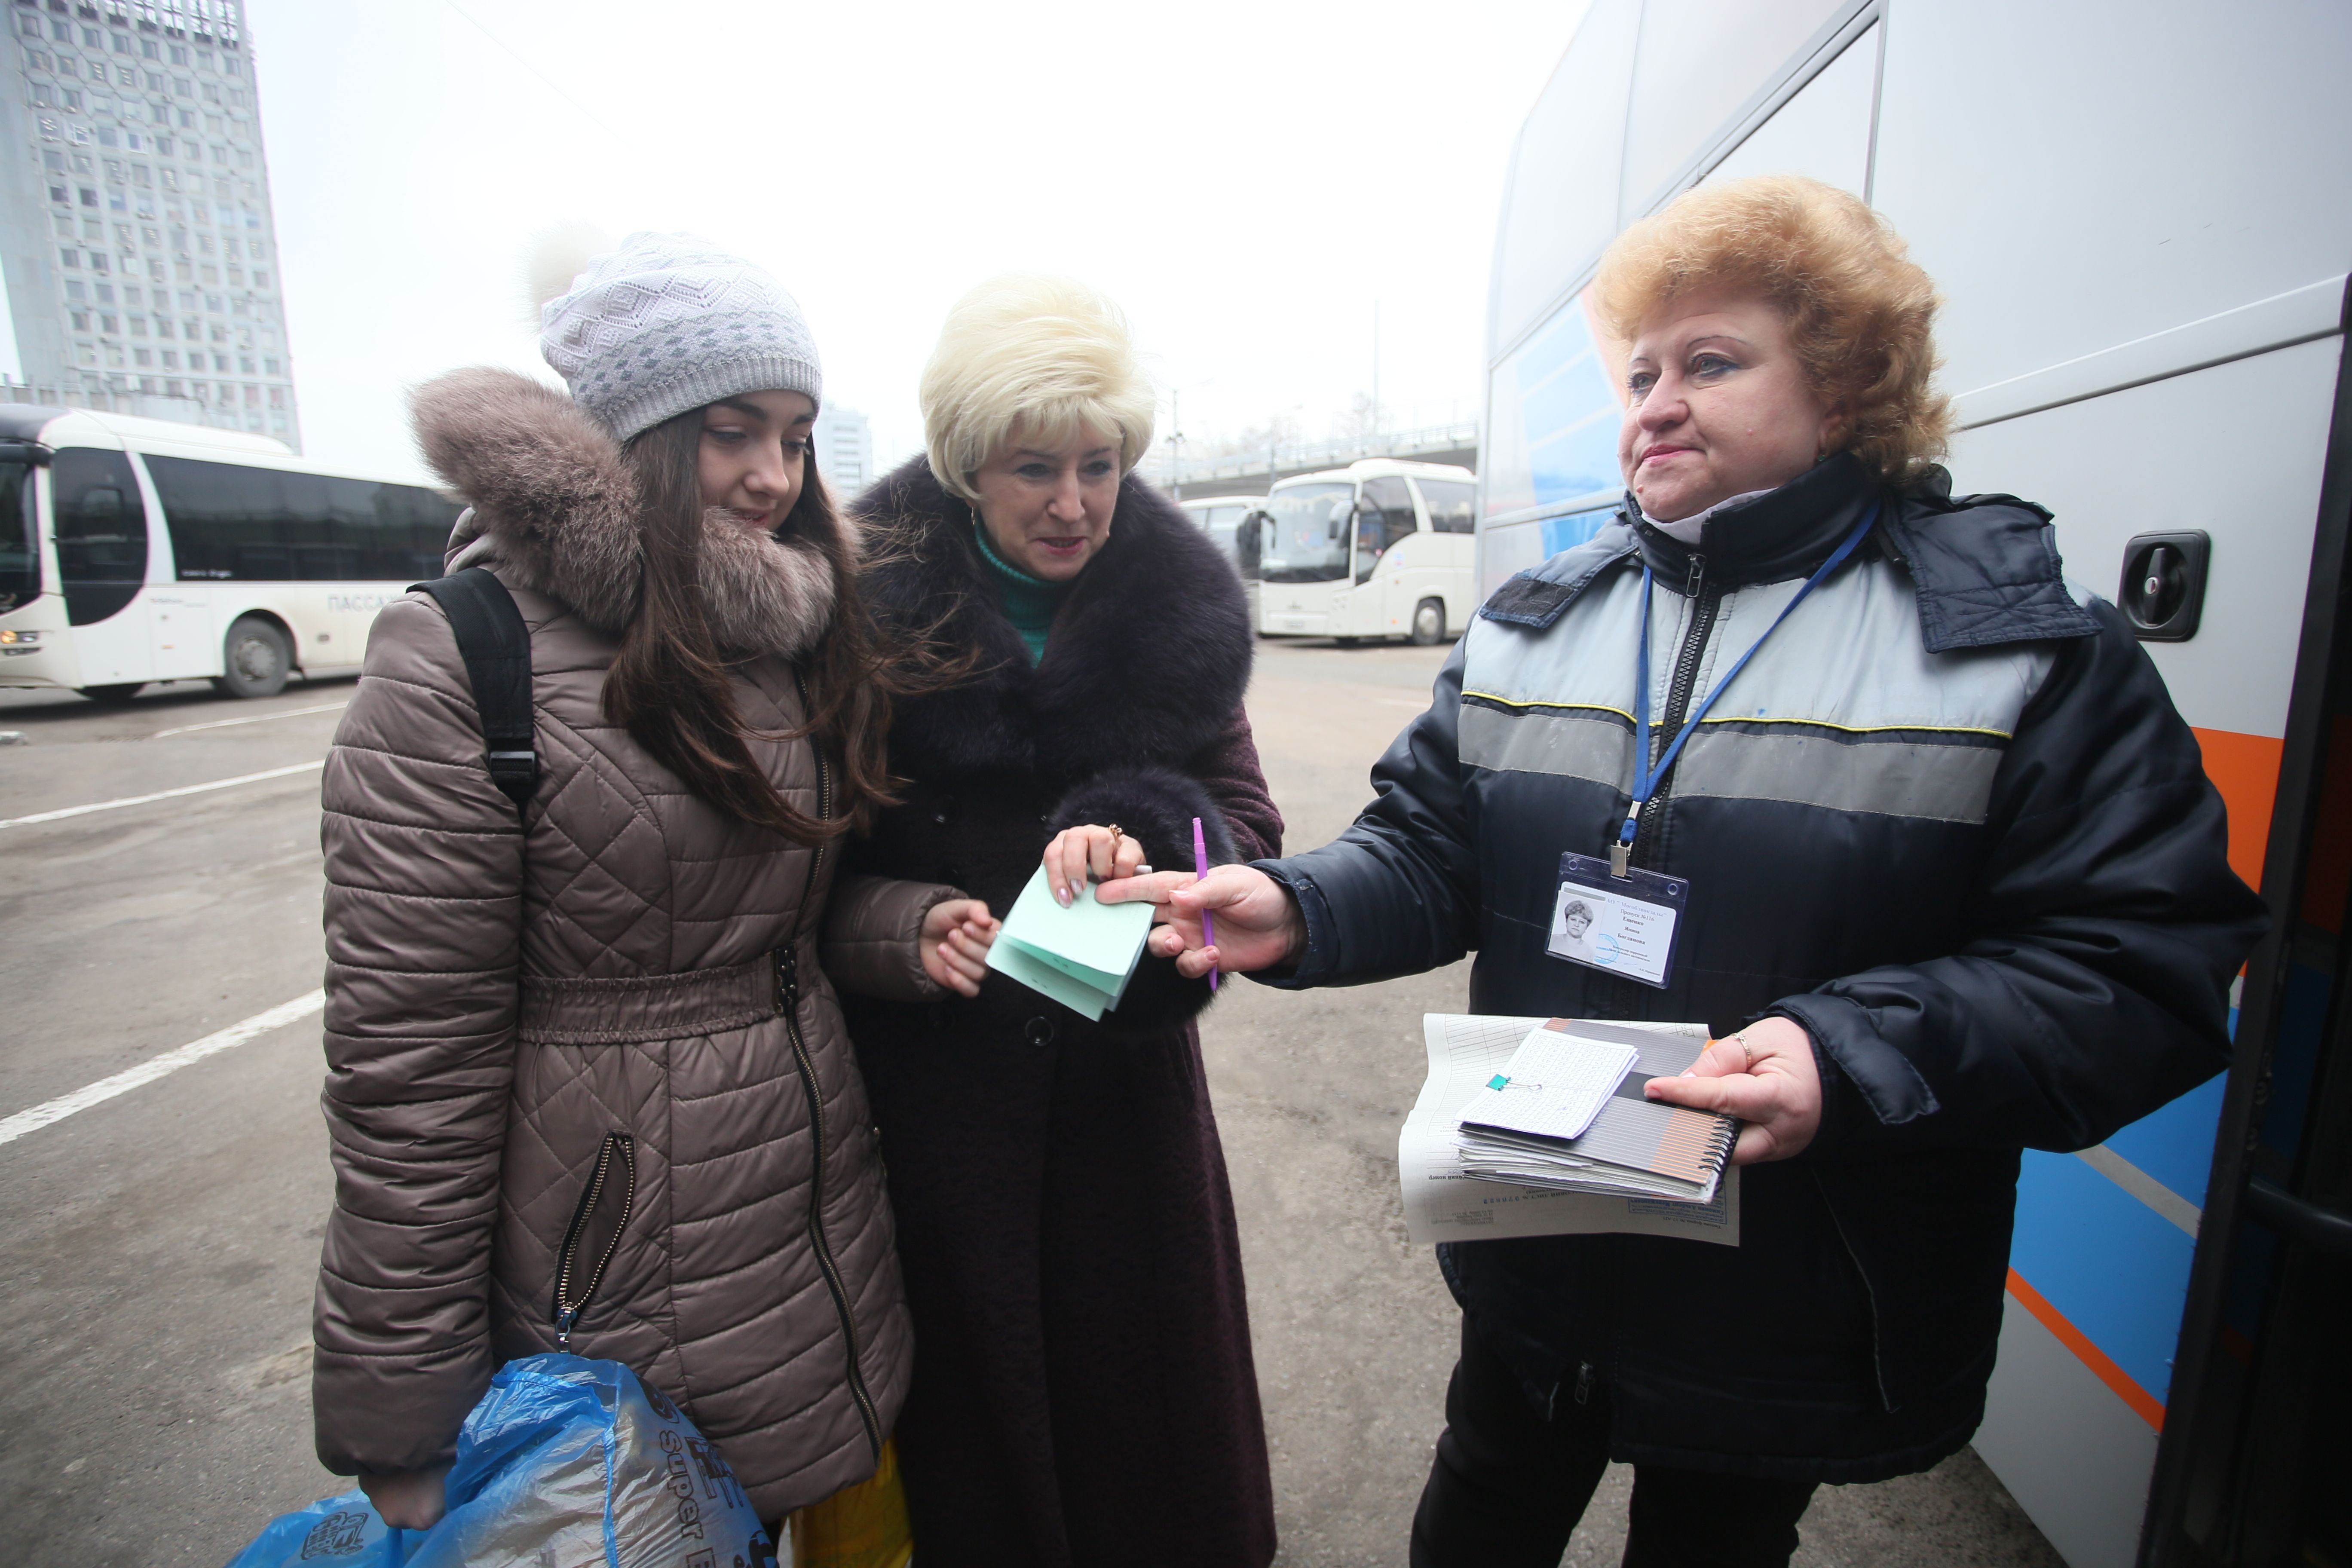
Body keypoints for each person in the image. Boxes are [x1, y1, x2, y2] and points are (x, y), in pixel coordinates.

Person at [1124, 177, 2269, 1566]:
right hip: (1539, 1217)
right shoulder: (1535, 622)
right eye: (1644, 369)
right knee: (1481, 1500)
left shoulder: (2022, 648)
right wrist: (1299, 903)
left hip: (1785, 1278)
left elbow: (2136, 967)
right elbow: (1427, 850)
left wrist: (1844, 1057)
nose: (1653, 403)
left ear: (1845, 390)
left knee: (1715, 1542)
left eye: (1712, 364)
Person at [309, 233, 996, 1534]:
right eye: (734, 431)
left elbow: (758, 924)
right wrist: (401, 1411)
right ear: (630, 432)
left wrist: (901, 928)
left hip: (814, 1233)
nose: (771, 476)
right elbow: (408, 1065)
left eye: (795, 438)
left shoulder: (786, 627)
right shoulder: (462, 654)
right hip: (611, 1272)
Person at [835, 273, 1283, 1568]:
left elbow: (1246, 828)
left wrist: (1147, 839)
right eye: (1036, 467)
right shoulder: (854, 613)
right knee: (977, 1444)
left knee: (1149, 1427)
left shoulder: (1180, 612)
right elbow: (794, 874)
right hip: (934, 1104)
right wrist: (901, 925)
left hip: (1123, 1102)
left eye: (1100, 464)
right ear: (967, 460)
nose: (1075, 503)